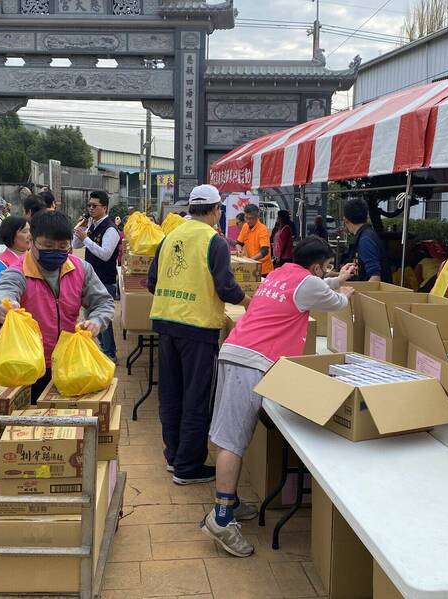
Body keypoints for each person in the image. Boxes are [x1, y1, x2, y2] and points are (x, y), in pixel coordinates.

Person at [202, 237, 356, 556]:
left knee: (225, 434)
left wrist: (335, 279)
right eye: (327, 266)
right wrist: (345, 292)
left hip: (236, 351)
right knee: (232, 440)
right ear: (315, 266)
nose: (327, 272)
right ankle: (220, 519)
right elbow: (335, 303)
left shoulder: (280, 273)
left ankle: (228, 500)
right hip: (252, 361)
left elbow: (310, 287)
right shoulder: (309, 283)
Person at [147, 184, 249, 485]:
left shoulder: (170, 237)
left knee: (171, 393)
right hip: (198, 328)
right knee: (196, 396)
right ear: (216, 210)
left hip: (165, 324)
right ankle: (188, 467)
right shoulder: (213, 241)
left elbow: (152, 282)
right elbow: (226, 286)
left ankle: (174, 455)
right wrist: (248, 302)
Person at [0, 211, 115, 402]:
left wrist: (96, 321)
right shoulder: (19, 271)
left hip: (70, 362)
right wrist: (3, 305)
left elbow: (103, 302)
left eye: (63, 246)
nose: (56, 252)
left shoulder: (80, 269)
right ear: (32, 241)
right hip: (29, 364)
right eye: (48, 246)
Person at [73, 190, 122, 362]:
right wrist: (81, 230)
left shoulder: (111, 229)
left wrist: (86, 239)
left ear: (105, 208)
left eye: (95, 206)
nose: (91, 209)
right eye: (89, 205)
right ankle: (102, 349)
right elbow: (75, 244)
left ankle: (110, 353)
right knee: (90, 317)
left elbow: (105, 254)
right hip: (89, 280)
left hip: (104, 279)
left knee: (103, 320)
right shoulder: (91, 226)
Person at [342, 198, 391, 283]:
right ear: (366, 216)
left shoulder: (365, 240)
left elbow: (375, 278)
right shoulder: (367, 235)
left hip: (371, 294)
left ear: (345, 220)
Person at [0, 216, 30, 292]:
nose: (29, 235)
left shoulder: (34, 257)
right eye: (24, 232)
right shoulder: (1, 265)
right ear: (11, 236)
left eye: (30, 231)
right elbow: (3, 295)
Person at [236, 204, 273, 276]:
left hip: (263, 269)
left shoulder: (263, 229)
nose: (248, 221)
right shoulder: (245, 226)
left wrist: (249, 260)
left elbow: (264, 251)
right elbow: (239, 243)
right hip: (251, 266)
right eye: (246, 218)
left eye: (251, 218)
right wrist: (239, 250)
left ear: (257, 217)